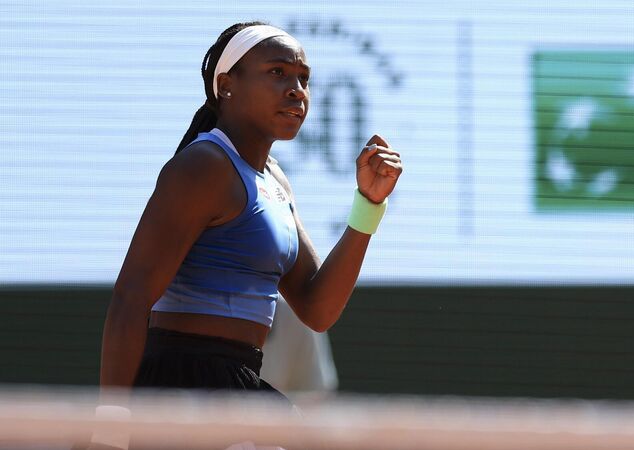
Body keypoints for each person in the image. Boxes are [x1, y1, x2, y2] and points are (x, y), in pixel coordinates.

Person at [90, 21, 402, 449]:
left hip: (238, 383)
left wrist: (368, 204)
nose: (297, 90)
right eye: (277, 72)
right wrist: (110, 430)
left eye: (304, 79)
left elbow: (317, 308)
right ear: (226, 85)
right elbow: (131, 297)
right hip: (181, 389)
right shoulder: (203, 166)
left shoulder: (275, 180)